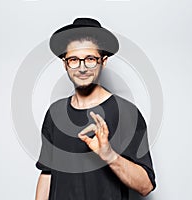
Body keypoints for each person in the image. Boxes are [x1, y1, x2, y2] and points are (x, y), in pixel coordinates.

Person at [35, 18, 156, 200]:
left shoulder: (126, 113)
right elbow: (47, 174)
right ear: (65, 64)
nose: (82, 68)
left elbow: (146, 186)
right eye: (74, 60)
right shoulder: (55, 113)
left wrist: (108, 155)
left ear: (103, 61)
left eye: (90, 59)